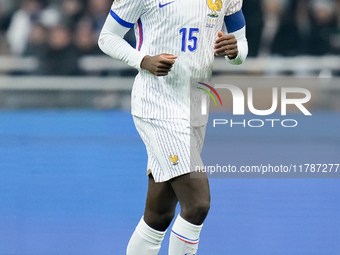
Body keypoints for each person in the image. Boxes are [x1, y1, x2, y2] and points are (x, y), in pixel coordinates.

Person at [98, 0, 248, 254]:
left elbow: (240, 46)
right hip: (157, 104)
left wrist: (235, 52)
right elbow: (107, 37)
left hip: (196, 106)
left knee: (159, 214)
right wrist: (143, 60)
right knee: (198, 203)